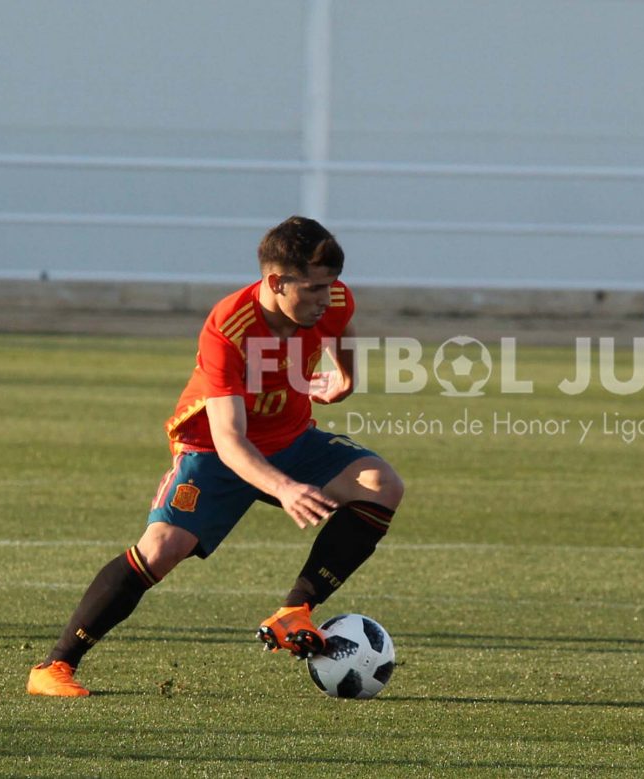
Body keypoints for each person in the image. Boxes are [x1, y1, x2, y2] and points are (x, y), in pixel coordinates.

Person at [27, 216, 404, 696]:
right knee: (161, 549)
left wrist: (345, 379)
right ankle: (54, 666)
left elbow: (340, 327)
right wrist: (283, 487)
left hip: (291, 438)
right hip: (214, 449)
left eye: (328, 287)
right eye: (311, 289)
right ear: (275, 281)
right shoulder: (229, 326)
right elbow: (230, 441)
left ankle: (296, 610)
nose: (323, 299)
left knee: (382, 484)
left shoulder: (329, 300)